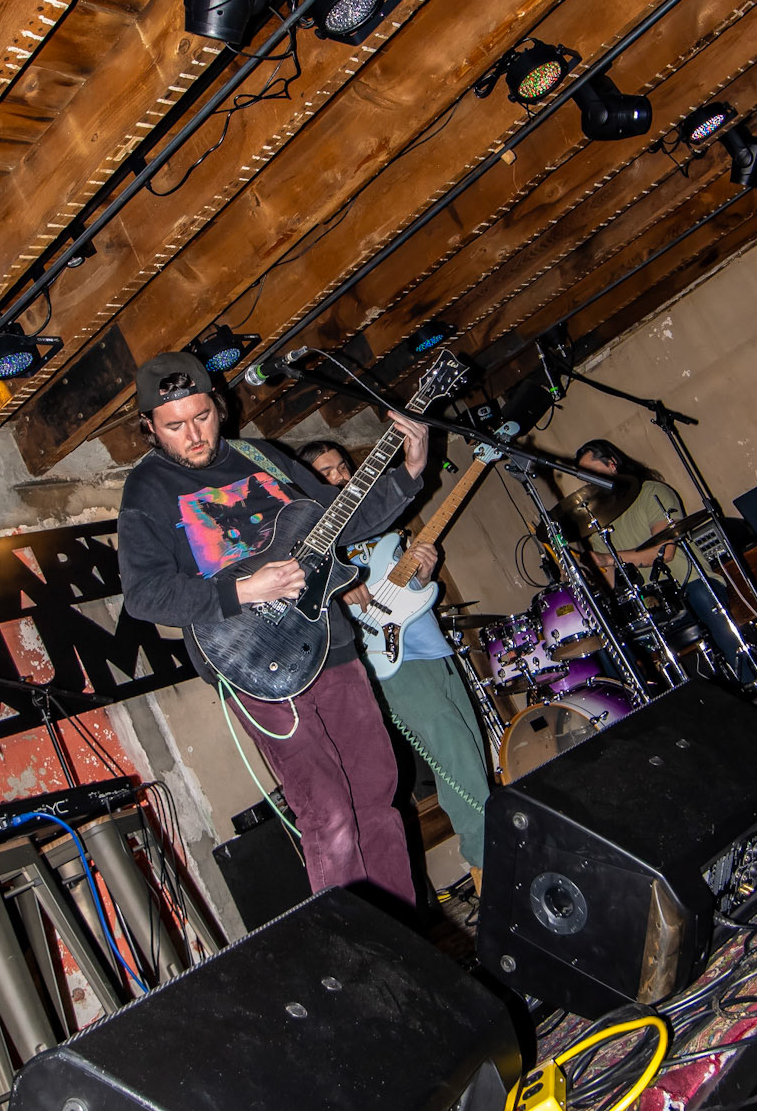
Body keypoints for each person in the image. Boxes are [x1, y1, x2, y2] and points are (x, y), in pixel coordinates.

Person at [117, 353, 430, 906]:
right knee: (327, 811)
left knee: (377, 793)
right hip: (252, 663)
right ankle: (353, 944)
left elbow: (341, 517)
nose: (194, 434)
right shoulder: (147, 489)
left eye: (202, 416)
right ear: (149, 426)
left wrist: (409, 472)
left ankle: (406, 930)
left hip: (331, 645)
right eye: (175, 425)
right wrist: (242, 590)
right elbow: (144, 594)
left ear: (218, 406)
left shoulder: (259, 456)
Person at [301, 440, 490, 889]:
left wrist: (423, 573)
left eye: (343, 467)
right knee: (453, 754)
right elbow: (305, 610)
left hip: (432, 647)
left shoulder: (380, 524)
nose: (340, 476)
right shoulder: (315, 549)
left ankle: (491, 852)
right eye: (326, 472)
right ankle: (489, 858)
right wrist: (335, 589)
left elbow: (412, 591)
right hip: (389, 661)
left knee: (472, 749)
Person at [573, 438, 742, 670]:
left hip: (688, 585)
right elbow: (609, 580)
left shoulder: (652, 491)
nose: (589, 482)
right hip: (651, 603)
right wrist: (589, 582)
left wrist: (608, 558)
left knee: (702, 595)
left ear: (612, 464)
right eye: (585, 478)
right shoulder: (596, 523)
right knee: (605, 640)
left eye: (592, 472)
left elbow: (665, 552)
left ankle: (749, 675)